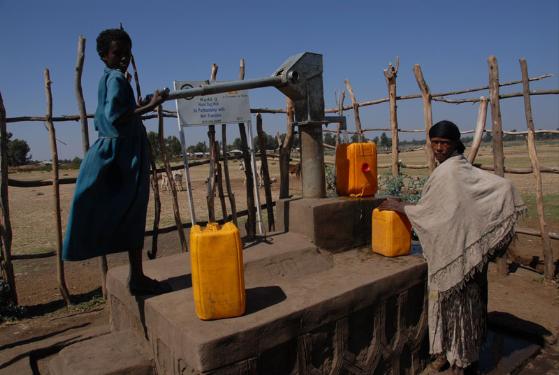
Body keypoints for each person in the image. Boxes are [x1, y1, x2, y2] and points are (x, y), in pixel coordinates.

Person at [379, 120, 525, 374]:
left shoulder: (451, 171)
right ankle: (448, 354)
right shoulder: (457, 168)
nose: (438, 148)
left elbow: (431, 213)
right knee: (460, 308)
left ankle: (462, 360)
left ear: (456, 144)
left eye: (444, 143)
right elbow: (443, 210)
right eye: (435, 143)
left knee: (461, 309)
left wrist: (400, 207)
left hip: (459, 253)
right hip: (466, 253)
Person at [63, 28, 170, 295]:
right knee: (133, 212)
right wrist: (152, 105)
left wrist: (140, 103)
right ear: (103, 55)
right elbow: (116, 118)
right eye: (117, 53)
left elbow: (122, 111)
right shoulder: (116, 81)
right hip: (124, 156)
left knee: (127, 212)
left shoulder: (111, 78)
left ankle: (137, 275)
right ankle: (137, 277)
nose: (123, 58)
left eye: (127, 53)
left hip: (120, 151)